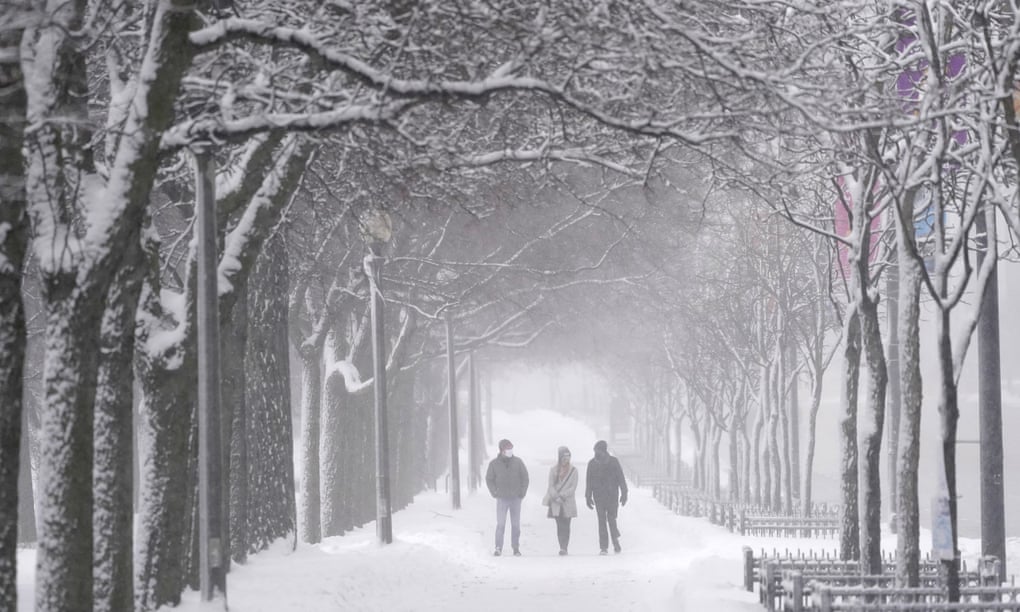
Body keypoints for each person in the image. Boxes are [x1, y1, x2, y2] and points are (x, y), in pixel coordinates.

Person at [485, 438, 529, 556]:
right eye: (507, 449)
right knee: (500, 524)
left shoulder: (518, 462)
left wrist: (522, 492)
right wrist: (494, 492)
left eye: (511, 448)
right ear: (501, 450)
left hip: (516, 498)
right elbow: (489, 479)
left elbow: (525, 477)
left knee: (515, 525)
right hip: (502, 499)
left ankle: (516, 547)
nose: (510, 451)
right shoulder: (494, 464)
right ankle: (498, 547)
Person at [584, 439, 628, 555]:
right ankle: (603, 547)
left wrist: (624, 493)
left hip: (612, 496)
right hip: (599, 497)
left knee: (612, 519)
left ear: (603, 451)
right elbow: (588, 482)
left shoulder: (614, 462)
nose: (596, 453)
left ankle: (615, 540)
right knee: (601, 521)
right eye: (595, 451)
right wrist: (588, 496)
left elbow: (621, 478)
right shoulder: (592, 464)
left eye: (597, 451)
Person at [543, 446, 578, 556]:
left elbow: (573, 487)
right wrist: (556, 497)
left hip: (568, 502)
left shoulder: (574, 470)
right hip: (556, 502)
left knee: (567, 525)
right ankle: (561, 546)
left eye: (568, 456)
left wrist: (562, 496)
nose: (566, 459)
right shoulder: (553, 470)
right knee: (559, 525)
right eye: (564, 456)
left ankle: (565, 547)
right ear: (560, 457)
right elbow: (550, 485)